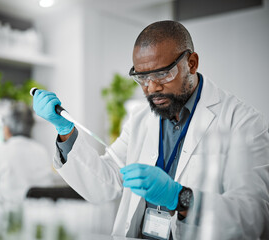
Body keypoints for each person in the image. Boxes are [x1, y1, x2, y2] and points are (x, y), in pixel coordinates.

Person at [32, 20, 269, 239]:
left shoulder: (242, 121)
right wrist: (65, 130)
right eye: (142, 78)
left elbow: (254, 217)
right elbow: (107, 182)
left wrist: (180, 198)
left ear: (192, 63)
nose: (152, 88)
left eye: (163, 74)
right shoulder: (140, 119)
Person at [0, 103, 54, 201]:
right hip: (38, 213)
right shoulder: (42, 151)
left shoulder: (0, 151)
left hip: (9, 213)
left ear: (6, 129)